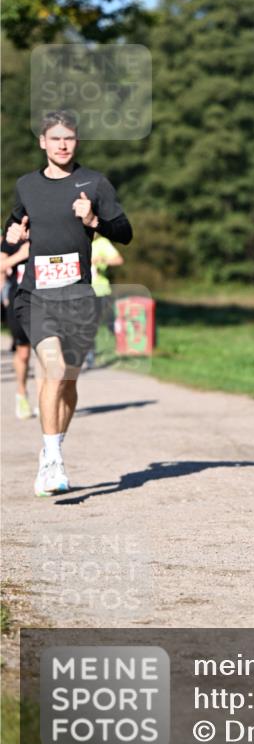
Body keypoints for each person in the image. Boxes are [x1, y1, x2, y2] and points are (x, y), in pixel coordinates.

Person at [5, 111, 133, 496]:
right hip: (37, 295)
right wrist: (11, 236)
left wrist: (94, 219)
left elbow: (124, 233)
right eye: (55, 138)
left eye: (69, 139)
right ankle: (52, 458)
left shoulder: (94, 183)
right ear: (42, 142)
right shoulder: (26, 186)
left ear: (76, 142)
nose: (62, 145)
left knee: (69, 381)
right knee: (55, 369)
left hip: (78, 296)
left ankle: (52, 450)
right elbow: (13, 232)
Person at [1, 237, 34, 418]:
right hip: (19, 299)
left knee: (48, 353)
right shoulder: (13, 235)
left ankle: (46, 401)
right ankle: (21, 394)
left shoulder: (50, 229)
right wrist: (21, 254)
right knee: (23, 352)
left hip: (46, 298)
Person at [84, 232, 125, 367]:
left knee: (109, 322)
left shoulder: (102, 243)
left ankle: (123, 347)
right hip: (83, 290)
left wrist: (102, 260)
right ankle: (90, 355)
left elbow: (119, 260)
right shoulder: (78, 240)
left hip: (101, 290)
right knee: (89, 323)